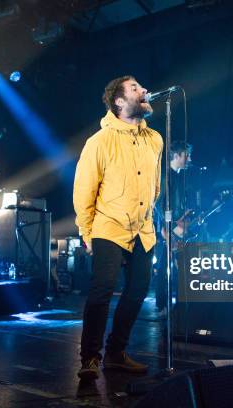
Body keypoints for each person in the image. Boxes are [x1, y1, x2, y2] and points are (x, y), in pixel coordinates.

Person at [73, 75, 163, 380]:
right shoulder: (99, 141)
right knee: (102, 291)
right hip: (109, 226)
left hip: (144, 229)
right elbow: (84, 191)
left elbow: (155, 187)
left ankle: (115, 353)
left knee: (138, 290)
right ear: (120, 102)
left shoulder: (155, 139)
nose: (145, 90)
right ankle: (89, 358)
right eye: (136, 88)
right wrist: (87, 232)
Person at [153, 141, 192, 316]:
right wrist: (165, 228)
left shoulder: (178, 177)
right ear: (176, 156)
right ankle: (162, 305)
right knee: (164, 268)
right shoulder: (164, 176)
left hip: (175, 228)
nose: (189, 159)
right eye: (186, 155)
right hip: (166, 230)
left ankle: (169, 304)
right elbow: (157, 204)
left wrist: (183, 216)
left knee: (173, 267)